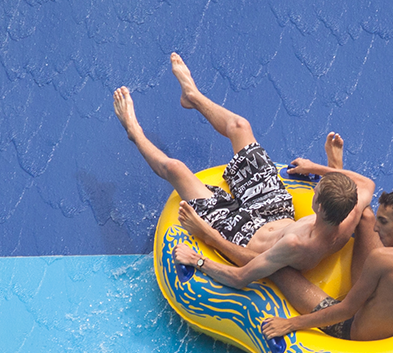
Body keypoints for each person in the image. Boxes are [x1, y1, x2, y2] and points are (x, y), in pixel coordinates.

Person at [113, 53, 373, 285]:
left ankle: (134, 132)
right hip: (276, 210)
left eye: (317, 191)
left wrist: (200, 253)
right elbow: (367, 184)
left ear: (319, 207)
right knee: (240, 126)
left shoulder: (297, 245)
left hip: (240, 232)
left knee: (176, 169)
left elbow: (240, 277)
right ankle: (192, 96)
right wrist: (318, 167)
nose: (314, 190)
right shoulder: (348, 217)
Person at [256, 189, 393, 341]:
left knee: (279, 268)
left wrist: (290, 324)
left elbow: (345, 310)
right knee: (364, 214)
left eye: (383, 222)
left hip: (352, 330)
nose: (376, 228)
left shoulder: (382, 259)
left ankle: (233, 250)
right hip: (390, 320)